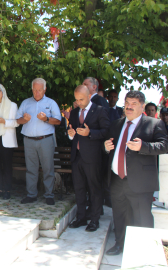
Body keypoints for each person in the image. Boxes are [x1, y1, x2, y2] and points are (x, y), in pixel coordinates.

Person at [104, 91, 168, 256]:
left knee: (142, 218)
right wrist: (106, 147)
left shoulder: (154, 124)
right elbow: (111, 147)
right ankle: (120, 244)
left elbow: (164, 146)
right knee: (119, 215)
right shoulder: (116, 124)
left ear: (142, 106)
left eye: (133, 103)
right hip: (117, 179)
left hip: (140, 181)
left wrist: (143, 146)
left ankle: (145, 251)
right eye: (127, 102)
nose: (129, 106)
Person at [67, 85, 110, 232]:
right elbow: (70, 131)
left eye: (81, 99)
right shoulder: (73, 113)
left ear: (89, 96)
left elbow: (106, 131)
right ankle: (81, 217)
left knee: (94, 188)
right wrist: (70, 133)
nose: (79, 102)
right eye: (77, 99)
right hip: (77, 156)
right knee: (78, 188)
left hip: (92, 156)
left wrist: (90, 133)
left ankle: (94, 220)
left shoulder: (99, 110)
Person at [16, 78, 62, 205]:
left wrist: (46, 118)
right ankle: (31, 195)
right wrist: (24, 119)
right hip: (29, 140)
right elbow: (17, 120)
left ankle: (49, 195)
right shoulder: (26, 103)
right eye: (35, 90)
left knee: (48, 168)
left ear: (45, 89)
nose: (37, 92)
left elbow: (58, 121)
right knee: (31, 169)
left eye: (40, 90)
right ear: (32, 89)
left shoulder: (51, 103)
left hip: (46, 140)